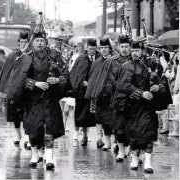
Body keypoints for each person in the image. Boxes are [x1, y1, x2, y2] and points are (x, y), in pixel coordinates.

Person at [7, 31, 68, 170]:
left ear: (45, 42)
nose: (40, 43)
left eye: (42, 40)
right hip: (32, 100)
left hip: (50, 99)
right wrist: (35, 83)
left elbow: (66, 74)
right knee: (34, 129)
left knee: (49, 128)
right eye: (37, 41)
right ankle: (34, 155)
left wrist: (57, 80)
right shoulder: (26, 58)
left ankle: (49, 158)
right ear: (32, 43)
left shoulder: (54, 56)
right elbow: (19, 79)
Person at [112, 40, 171, 173]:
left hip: (148, 106)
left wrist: (158, 87)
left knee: (149, 133)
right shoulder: (126, 66)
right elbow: (124, 85)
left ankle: (148, 163)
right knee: (134, 134)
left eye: (137, 51)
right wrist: (140, 93)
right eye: (133, 51)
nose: (134, 53)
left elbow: (162, 80)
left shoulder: (152, 64)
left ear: (143, 51)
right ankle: (134, 158)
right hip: (132, 107)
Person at [0, 31, 31, 147]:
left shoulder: (32, 55)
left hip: (28, 89)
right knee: (15, 114)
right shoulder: (13, 55)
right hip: (15, 89)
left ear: (28, 43)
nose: (24, 44)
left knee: (27, 114)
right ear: (18, 43)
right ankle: (18, 134)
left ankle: (27, 137)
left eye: (26, 42)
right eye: (22, 42)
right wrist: (3, 88)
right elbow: (6, 72)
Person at [85, 38, 120, 151]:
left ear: (110, 48)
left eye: (106, 47)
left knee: (114, 120)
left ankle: (116, 143)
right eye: (102, 48)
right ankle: (107, 142)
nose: (104, 50)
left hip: (113, 95)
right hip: (101, 95)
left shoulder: (116, 60)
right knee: (103, 119)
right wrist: (93, 95)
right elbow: (93, 78)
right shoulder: (96, 62)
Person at [70, 39, 100, 144]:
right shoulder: (81, 58)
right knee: (81, 114)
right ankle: (83, 136)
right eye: (90, 49)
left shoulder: (99, 58)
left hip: (95, 92)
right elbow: (74, 73)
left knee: (93, 114)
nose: (92, 51)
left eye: (94, 49)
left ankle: (96, 137)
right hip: (82, 92)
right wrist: (81, 82)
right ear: (87, 48)